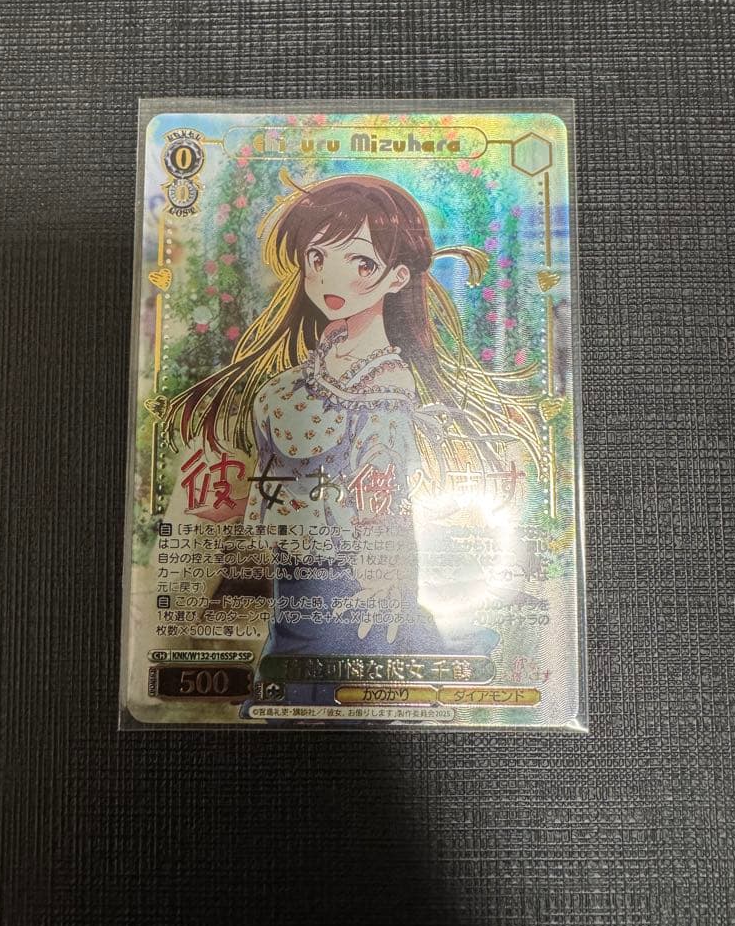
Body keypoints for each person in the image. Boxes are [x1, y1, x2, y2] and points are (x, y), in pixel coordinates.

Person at [165, 174, 542, 696]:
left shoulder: (385, 383)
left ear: (397, 277)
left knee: (310, 689)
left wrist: (384, 573)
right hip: (293, 578)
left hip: (344, 583)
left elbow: (381, 481)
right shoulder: (312, 366)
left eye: (360, 263)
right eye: (317, 257)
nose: (330, 276)